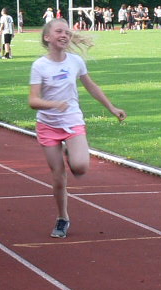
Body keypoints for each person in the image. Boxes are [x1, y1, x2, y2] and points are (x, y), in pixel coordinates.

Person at [28, 19, 126, 239]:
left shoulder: (75, 61)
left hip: (72, 120)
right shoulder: (39, 66)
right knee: (58, 177)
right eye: (59, 31)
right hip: (48, 125)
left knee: (80, 167)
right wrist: (53, 104)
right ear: (47, 37)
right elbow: (33, 100)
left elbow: (91, 86)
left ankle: (69, 152)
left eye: (67, 32)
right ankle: (62, 217)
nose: (64, 35)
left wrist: (111, 107)